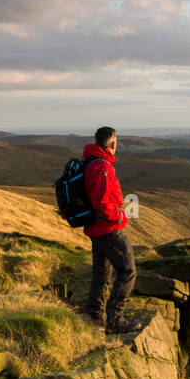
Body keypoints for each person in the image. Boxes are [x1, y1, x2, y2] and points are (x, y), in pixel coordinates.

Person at [81, 126, 137, 333]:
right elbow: (102, 201)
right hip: (106, 228)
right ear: (113, 144)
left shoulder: (91, 161)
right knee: (128, 270)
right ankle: (115, 320)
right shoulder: (102, 166)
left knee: (102, 273)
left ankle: (96, 317)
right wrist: (120, 216)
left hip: (96, 228)